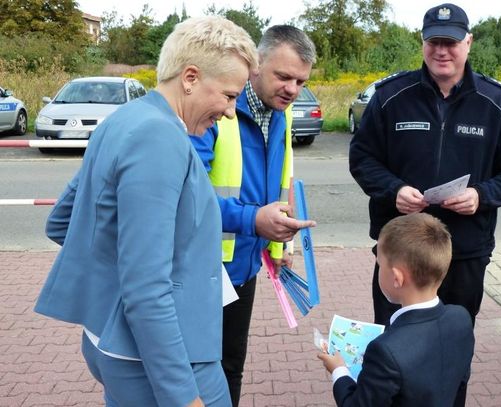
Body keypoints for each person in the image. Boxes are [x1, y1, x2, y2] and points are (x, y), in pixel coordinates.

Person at [34, 16, 258, 407]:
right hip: (164, 357)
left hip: (113, 338)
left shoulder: (124, 118)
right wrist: (182, 396)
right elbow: (146, 286)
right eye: (228, 95)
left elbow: (65, 221)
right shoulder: (160, 138)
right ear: (189, 77)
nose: (228, 111)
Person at [349, 3, 501, 328]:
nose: (442, 50)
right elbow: (362, 159)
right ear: (422, 42)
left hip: (464, 253)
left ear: (468, 42)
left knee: (454, 343)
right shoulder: (391, 97)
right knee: (394, 345)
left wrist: (481, 195)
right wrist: (394, 190)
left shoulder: (497, 104)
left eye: (450, 42)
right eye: (434, 42)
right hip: (400, 253)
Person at [190, 25, 317, 407]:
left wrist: (278, 237)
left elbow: (278, 179)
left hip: (243, 267)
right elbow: (185, 197)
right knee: (191, 370)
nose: (292, 89)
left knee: (231, 365)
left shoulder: (282, 112)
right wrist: (253, 221)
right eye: (284, 76)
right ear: (256, 64)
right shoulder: (216, 107)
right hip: (200, 269)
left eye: (300, 81)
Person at [318, 213, 475, 407]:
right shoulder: (461, 318)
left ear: (396, 278)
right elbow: (460, 379)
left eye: (380, 264)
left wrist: (338, 371)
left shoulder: (385, 351)